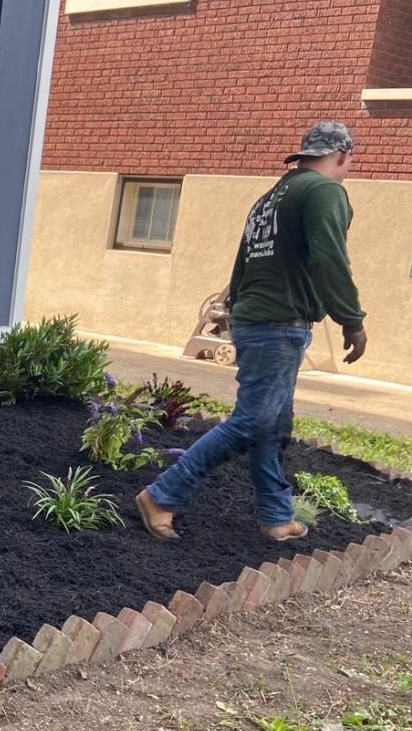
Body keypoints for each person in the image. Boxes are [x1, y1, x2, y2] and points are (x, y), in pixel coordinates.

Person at [135, 121, 367, 543]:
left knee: (272, 424)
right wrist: (351, 318)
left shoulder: (270, 198)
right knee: (252, 421)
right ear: (342, 156)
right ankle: (161, 494)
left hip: (255, 319)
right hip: (278, 323)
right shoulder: (323, 191)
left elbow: (243, 263)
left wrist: (236, 312)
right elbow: (330, 258)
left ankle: (277, 517)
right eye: (348, 163)